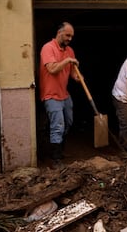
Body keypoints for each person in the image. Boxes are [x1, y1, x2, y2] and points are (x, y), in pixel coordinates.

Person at [39, 22, 80, 167]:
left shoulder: (70, 51)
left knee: (68, 122)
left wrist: (76, 76)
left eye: (71, 36)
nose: (70, 38)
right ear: (59, 33)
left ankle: (59, 150)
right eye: (67, 35)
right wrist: (67, 60)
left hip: (64, 94)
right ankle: (55, 159)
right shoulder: (47, 48)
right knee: (57, 126)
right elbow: (52, 69)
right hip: (51, 95)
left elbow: (71, 72)